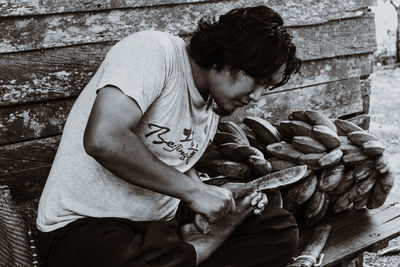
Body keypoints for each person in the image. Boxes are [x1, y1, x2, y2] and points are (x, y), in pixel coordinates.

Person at [37, 5, 301, 267]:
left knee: (279, 229)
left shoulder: (212, 102)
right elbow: (105, 139)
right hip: (87, 229)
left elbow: (176, 160)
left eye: (266, 87)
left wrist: (209, 197)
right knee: (120, 257)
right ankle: (204, 245)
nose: (257, 96)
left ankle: (188, 252)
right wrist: (195, 192)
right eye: (257, 80)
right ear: (227, 57)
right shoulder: (153, 51)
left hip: (162, 229)